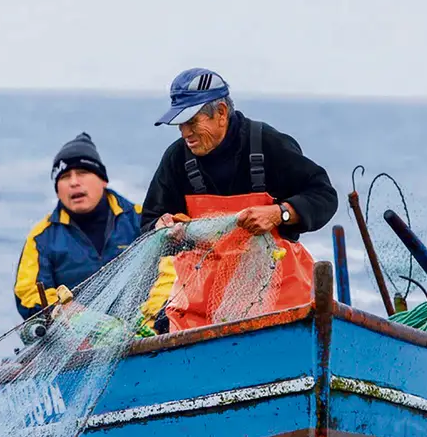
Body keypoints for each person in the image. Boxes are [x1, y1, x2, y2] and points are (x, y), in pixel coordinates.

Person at [139, 68, 338, 332]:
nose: (186, 133)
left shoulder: (266, 143)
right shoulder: (176, 159)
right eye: (180, 124)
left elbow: (323, 194)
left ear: (221, 113)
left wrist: (281, 213)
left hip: (280, 301)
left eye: (192, 121)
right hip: (200, 310)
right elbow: (150, 223)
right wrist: (162, 229)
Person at [13, 132, 142, 320]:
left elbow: (169, 274)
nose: (74, 182)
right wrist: (68, 311)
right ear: (57, 189)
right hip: (72, 336)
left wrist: (150, 319)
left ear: (103, 179)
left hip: (143, 330)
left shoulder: (141, 219)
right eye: (65, 176)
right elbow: (28, 293)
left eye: (82, 173)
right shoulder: (42, 237)